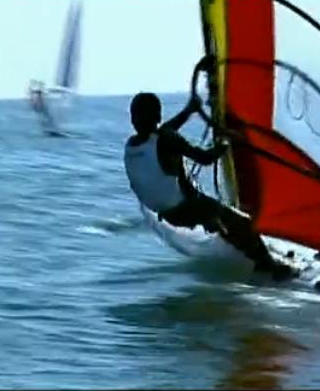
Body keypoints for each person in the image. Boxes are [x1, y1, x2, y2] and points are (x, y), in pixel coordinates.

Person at [123, 92, 297, 280]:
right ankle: (269, 267)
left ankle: (247, 251)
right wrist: (225, 142)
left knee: (222, 221)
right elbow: (205, 158)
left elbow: (162, 133)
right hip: (187, 208)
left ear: (133, 118)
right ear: (158, 116)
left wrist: (188, 111)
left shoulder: (132, 145)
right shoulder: (167, 139)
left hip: (166, 215)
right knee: (243, 222)